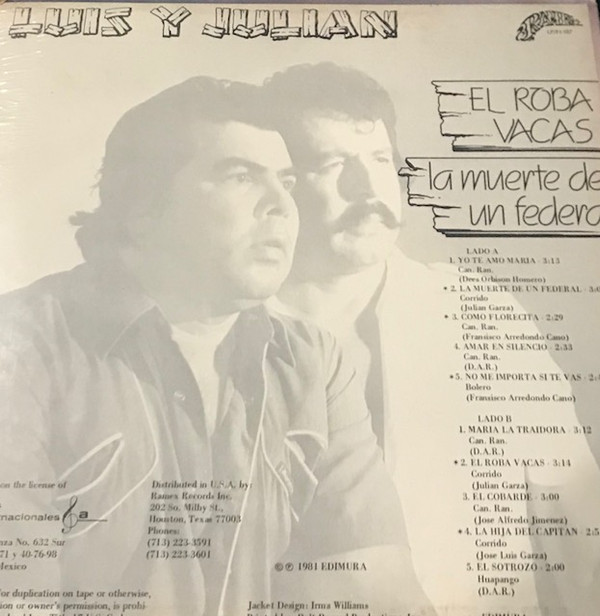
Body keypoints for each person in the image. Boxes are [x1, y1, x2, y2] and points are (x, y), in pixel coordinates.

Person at [0, 77, 430, 615]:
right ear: (142, 206)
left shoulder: (314, 363)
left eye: (287, 182)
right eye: (241, 176)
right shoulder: (21, 347)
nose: (281, 205)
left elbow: (379, 591)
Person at [264, 63, 600, 614]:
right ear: (281, 185)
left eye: (380, 160)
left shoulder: (483, 313)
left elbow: (580, 536)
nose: (369, 189)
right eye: (332, 164)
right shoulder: (224, 335)